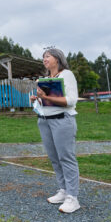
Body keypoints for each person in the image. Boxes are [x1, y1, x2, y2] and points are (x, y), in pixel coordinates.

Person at [31, 48, 80, 213]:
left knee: (66, 158)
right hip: (45, 121)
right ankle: (63, 190)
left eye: (48, 56)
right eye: (43, 57)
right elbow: (48, 101)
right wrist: (38, 98)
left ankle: (73, 198)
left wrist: (46, 97)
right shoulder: (46, 79)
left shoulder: (67, 75)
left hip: (62, 120)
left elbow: (71, 100)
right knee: (54, 158)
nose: (44, 59)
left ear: (57, 59)